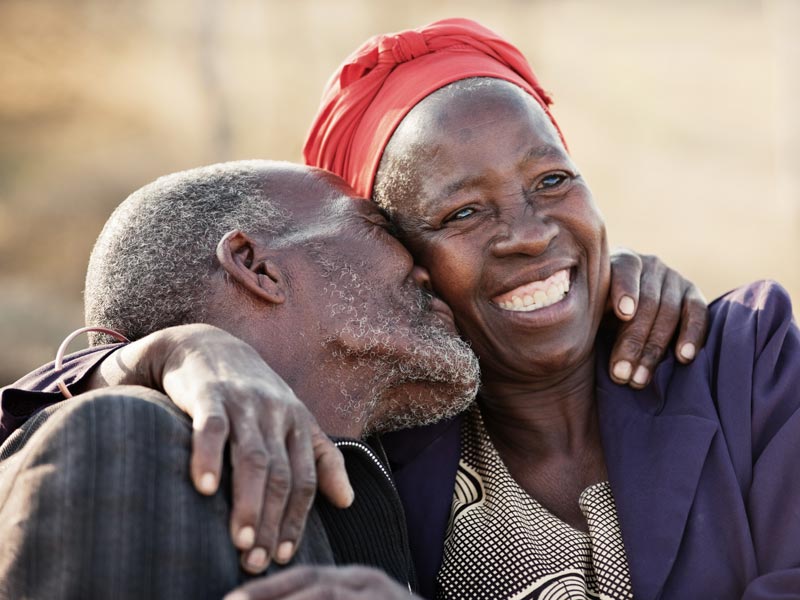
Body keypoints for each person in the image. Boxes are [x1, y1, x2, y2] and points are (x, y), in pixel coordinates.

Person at [302, 18, 800, 599]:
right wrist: (180, 351)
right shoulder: (370, 463)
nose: (531, 235)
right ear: (399, 259)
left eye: (552, 179)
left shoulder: (745, 366)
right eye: (464, 212)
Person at [0, 160, 481, 599]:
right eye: (378, 227)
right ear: (256, 266)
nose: (425, 268)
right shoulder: (130, 438)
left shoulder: (379, 482)